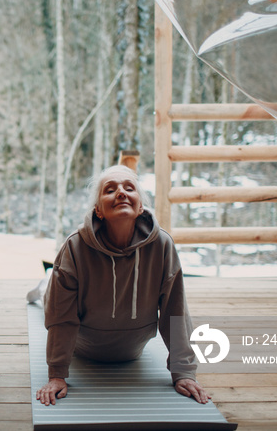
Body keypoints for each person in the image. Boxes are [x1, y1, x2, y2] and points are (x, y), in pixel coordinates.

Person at [36, 165, 210, 406]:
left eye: (129, 188)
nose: (121, 193)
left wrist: (183, 372)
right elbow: (61, 317)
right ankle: (46, 283)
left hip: (132, 350)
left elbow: (175, 309)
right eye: (110, 189)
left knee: (51, 288)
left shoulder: (162, 245)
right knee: (49, 297)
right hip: (83, 347)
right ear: (98, 210)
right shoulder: (74, 247)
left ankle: (48, 281)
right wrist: (56, 374)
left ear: (140, 206)